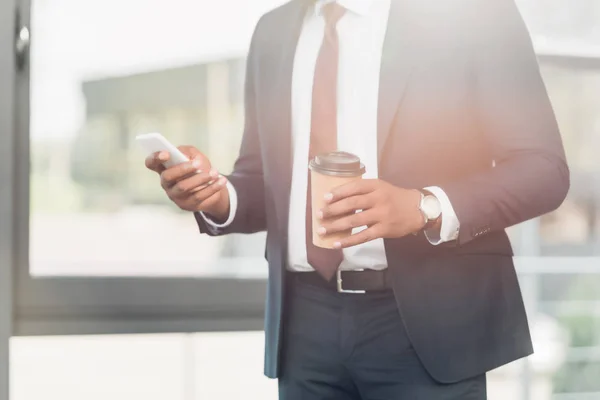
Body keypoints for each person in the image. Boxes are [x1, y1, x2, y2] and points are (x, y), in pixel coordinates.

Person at [145, 0, 570, 398]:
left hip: (427, 324)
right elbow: (263, 179)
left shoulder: (471, 14)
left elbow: (543, 169)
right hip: (303, 326)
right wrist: (217, 195)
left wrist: (424, 206)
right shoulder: (273, 31)